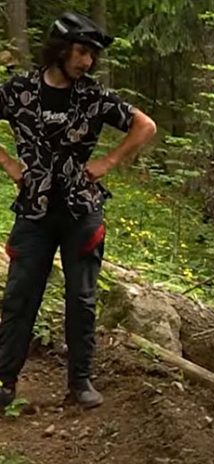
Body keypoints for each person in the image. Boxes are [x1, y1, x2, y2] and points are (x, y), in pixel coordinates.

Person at [0, 11, 157, 409]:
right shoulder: (19, 90)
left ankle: (81, 383)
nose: (87, 62)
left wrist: (108, 161)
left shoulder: (94, 96)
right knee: (20, 296)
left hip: (81, 211)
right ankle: (4, 382)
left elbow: (146, 126)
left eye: (92, 55)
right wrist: (9, 164)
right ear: (60, 48)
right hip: (34, 211)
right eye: (81, 52)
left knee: (82, 299)